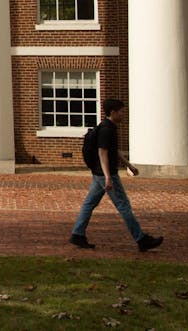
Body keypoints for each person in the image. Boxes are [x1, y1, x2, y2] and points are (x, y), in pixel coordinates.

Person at [69, 98, 164, 252]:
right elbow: (102, 153)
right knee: (123, 206)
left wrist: (129, 165)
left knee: (89, 204)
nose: (123, 114)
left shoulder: (108, 127)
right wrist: (107, 177)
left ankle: (77, 234)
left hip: (100, 174)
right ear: (113, 112)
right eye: (121, 111)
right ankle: (141, 239)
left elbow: (113, 151)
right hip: (106, 174)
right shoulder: (107, 130)